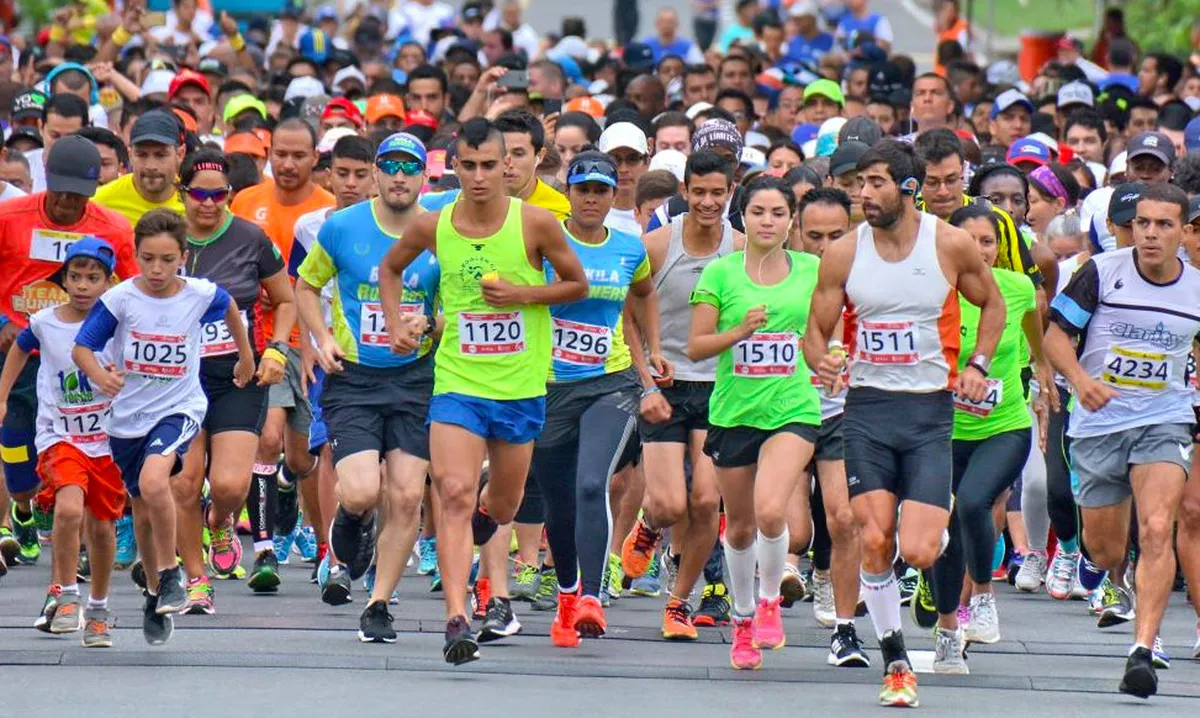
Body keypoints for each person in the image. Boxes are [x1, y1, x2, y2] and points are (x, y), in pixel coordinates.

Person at [378, 118, 587, 665]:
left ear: (510, 165)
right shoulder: (434, 224)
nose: (478, 177)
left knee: (505, 504)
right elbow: (391, 268)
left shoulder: (537, 223)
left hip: (519, 388)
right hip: (458, 382)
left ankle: (479, 524)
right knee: (452, 491)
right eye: (466, 166)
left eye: (489, 165)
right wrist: (399, 321)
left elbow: (577, 284)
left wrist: (522, 292)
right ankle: (457, 616)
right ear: (454, 167)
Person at [804, 140, 1005, 708]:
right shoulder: (844, 253)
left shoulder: (949, 244)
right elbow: (814, 333)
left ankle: (932, 530)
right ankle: (894, 660)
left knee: (916, 551)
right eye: (859, 184)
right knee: (874, 537)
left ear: (908, 188)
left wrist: (978, 364)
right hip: (865, 410)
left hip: (927, 415)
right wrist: (820, 359)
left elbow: (992, 307)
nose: (862, 194)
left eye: (875, 183)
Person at [1044, 182, 1200, 699]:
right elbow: (1054, 337)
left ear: (1183, 231)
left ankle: (1143, 649)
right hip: (1098, 422)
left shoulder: (1196, 288)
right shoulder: (1102, 273)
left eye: (1163, 225)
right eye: (1142, 224)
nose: (1150, 234)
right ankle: (1112, 572)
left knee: (1158, 527)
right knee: (1106, 546)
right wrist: (1081, 381)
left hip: (1165, 419)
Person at [72, 209, 255, 645]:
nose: (156, 269)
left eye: (167, 259)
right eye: (147, 259)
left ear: (183, 258)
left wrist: (245, 356)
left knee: (158, 481)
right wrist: (101, 376)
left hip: (180, 406)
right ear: (135, 256)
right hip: (127, 419)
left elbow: (230, 306)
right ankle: (155, 592)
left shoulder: (198, 294)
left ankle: (173, 574)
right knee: (142, 510)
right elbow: (83, 347)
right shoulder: (120, 301)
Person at [297, 132, 439, 643]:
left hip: (416, 379)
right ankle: (352, 521)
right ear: (375, 173)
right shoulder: (342, 227)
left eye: (411, 167)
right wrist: (321, 338)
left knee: (405, 497)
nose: (400, 176)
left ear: (425, 177)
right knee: (361, 490)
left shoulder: (440, 231)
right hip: (354, 378)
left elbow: (459, 309)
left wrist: (431, 324)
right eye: (390, 166)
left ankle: (378, 603)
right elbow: (306, 286)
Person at [523, 151, 667, 645]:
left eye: (600, 191)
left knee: (591, 484)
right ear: (569, 192)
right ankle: (566, 598)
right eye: (582, 189)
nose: (591, 199)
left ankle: (591, 595)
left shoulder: (628, 249)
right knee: (558, 502)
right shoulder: (545, 239)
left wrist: (654, 349)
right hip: (547, 385)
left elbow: (644, 294)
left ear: (613, 196)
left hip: (610, 382)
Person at [686, 175, 821, 669]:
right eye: (759, 212)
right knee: (740, 528)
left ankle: (768, 604)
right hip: (733, 412)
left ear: (791, 221)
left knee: (770, 511)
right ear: (742, 216)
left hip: (794, 408)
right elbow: (697, 346)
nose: (768, 221)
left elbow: (828, 330)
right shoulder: (721, 274)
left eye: (779, 213)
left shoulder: (812, 270)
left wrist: (830, 357)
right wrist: (738, 331)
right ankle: (742, 622)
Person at [925, 204, 1054, 672]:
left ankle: (982, 596)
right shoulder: (930, 291)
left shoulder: (1017, 288)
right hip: (939, 429)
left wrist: (1043, 375)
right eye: (970, 240)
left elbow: (1036, 339)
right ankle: (946, 628)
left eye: (988, 241)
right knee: (943, 528)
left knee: (976, 501)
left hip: (1003, 425)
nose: (980, 249)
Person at [621, 150, 743, 640]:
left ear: (730, 193)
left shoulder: (740, 248)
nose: (709, 202)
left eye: (719, 193)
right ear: (685, 193)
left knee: (705, 500)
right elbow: (627, 316)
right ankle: (650, 526)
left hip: (719, 386)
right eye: (700, 193)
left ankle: (679, 604)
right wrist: (646, 376)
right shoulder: (655, 246)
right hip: (667, 383)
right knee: (670, 503)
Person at [0, 136, 137, 569]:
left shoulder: (113, 228)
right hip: (19, 347)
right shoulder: (9, 216)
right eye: (59, 191)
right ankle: (21, 508)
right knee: (16, 453)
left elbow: (134, 293)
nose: (65, 202)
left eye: (77, 195)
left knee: (84, 451)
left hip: (83, 358)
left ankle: (77, 546)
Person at [171, 149, 294, 612]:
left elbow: (284, 298)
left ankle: (220, 520)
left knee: (227, 485)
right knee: (184, 484)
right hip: (176, 379)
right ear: (182, 192)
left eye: (219, 195)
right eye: (199, 194)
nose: (208, 203)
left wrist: (278, 349)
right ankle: (196, 581)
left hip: (237, 375)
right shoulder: (167, 235)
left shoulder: (250, 237)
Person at [0, 239, 123, 645]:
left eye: (93, 278)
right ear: (63, 280)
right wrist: (1, 396)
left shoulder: (120, 322)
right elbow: (18, 351)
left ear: (109, 282)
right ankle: (67, 595)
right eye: (75, 277)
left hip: (107, 439)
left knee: (102, 527)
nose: (83, 286)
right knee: (69, 508)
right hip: (60, 434)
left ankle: (99, 607)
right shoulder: (46, 322)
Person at [230, 118, 333, 591]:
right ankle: (265, 551)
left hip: (313, 341)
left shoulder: (329, 209)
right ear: (268, 155)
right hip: (261, 340)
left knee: (302, 453)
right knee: (267, 439)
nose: (289, 164)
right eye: (281, 155)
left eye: (299, 156)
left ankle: (319, 538)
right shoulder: (246, 202)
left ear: (315, 158)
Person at [290, 135, 379, 604]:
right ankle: (333, 554)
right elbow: (300, 289)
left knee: (378, 464)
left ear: (376, 177)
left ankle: (369, 547)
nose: (349, 183)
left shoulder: (396, 226)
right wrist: (307, 347)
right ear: (328, 174)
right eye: (341, 173)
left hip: (381, 355)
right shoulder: (309, 227)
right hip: (330, 354)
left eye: (360, 175)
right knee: (325, 452)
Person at [790, 187, 870, 667]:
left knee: (844, 518)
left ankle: (844, 628)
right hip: (788, 410)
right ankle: (762, 599)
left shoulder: (870, 279)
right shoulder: (782, 275)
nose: (823, 246)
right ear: (797, 232)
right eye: (814, 234)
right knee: (794, 530)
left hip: (845, 412)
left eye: (835, 235)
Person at [94, 111, 186, 232]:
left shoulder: (195, 204)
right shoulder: (99, 203)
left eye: (161, 155)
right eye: (141, 155)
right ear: (130, 155)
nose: (151, 166)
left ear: (180, 154)